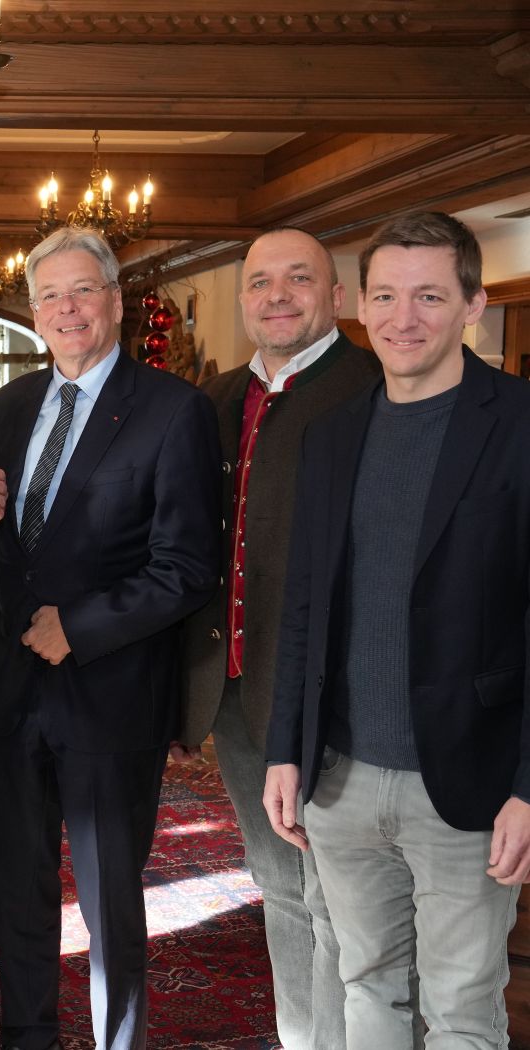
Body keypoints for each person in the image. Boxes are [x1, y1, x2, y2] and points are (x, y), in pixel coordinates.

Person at [264, 210, 530, 1048]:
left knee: (461, 1010)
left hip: (470, 783)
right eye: (385, 296)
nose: (402, 317)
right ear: (361, 305)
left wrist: (529, 786)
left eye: (428, 296)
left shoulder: (520, 425)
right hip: (340, 778)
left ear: (473, 304)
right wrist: (285, 748)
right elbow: (304, 605)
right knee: (365, 989)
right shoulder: (333, 434)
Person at [0, 227, 222, 1050]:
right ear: (33, 312)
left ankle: (117, 1039)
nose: (67, 308)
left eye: (83, 290)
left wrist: (79, 627)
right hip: (12, 693)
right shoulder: (11, 404)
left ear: (117, 302)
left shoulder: (174, 409)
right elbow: (10, 544)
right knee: (16, 887)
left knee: (109, 900)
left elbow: (188, 568)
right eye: (49, 295)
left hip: (112, 696)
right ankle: (27, 1035)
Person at [175, 227, 381, 1050]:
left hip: (333, 700)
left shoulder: (373, 388)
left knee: (339, 899)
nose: (278, 295)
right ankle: (303, 1037)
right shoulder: (217, 397)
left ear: (336, 296)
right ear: (243, 298)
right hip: (235, 692)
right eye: (261, 281)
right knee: (280, 884)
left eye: (300, 278)